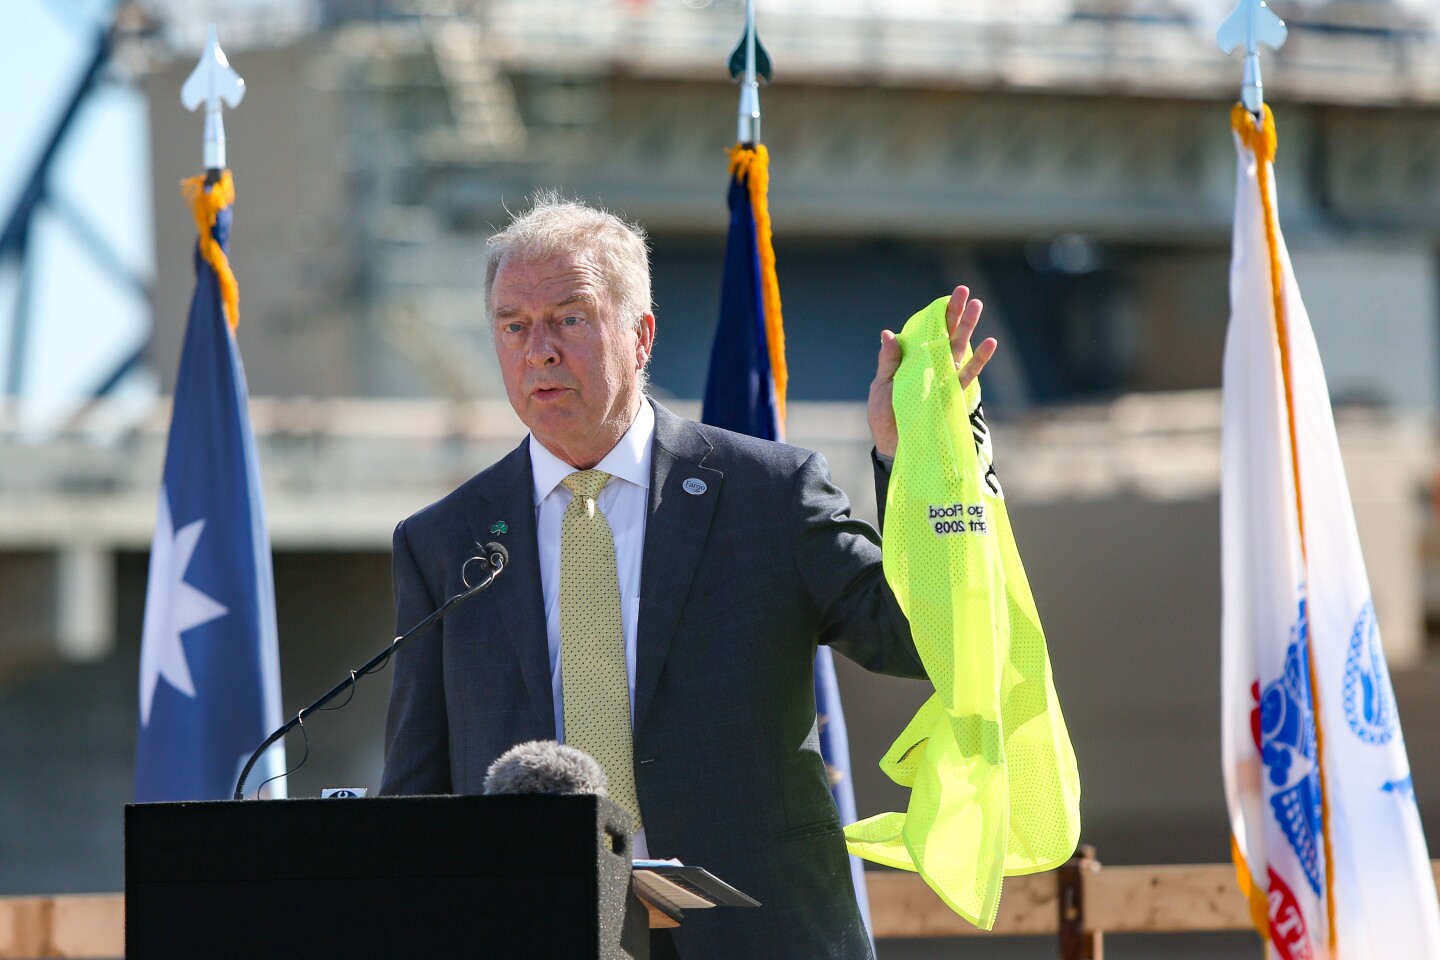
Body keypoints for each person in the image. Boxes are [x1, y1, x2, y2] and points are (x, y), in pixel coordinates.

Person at [381, 194, 995, 959]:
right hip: (543, 929)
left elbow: (919, 641)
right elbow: (414, 792)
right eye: (513, 326)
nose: (538, 349)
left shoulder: (768, 492)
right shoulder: (443, 541)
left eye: (570, 318)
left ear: (641, 336)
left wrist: (918, 465)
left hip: (758, 930)